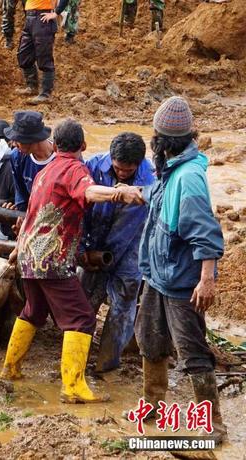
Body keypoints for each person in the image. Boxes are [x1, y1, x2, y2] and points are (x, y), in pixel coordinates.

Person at [0, 119, 144, 405]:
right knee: (81, 318)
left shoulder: (46, 169)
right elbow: (89, 193)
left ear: (55, 144)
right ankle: (73, 386)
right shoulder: (74, 169)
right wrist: (121, 192)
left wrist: (18, 250)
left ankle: (10, 368)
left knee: (34, 311)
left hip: (29, 254)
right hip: (51, 258)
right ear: (84, 146)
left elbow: (30, 210)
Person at [134, 97, 226, 441]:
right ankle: (152, 412)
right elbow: (157, 196)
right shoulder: (173, 168)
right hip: (158, 276)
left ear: (159, 141)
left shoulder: (188, 178)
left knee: (192, 350)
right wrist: (132, 193)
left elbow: (206, 232)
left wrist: (206, 280)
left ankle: (213, 425)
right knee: (149, 342)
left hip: (181, 282)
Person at [79, 132, 155, 373]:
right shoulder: (92, 166)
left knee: (123, 304)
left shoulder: (151, 178)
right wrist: (81, 249)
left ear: (139, 163)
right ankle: (76, 357)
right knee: (85, 300)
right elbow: (78, 206)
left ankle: (107, 363)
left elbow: (143, 222)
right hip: (95, 243)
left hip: (132, 248)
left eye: (128, 169)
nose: (122, 173)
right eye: (118, 168)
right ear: (111, 158)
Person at [16, 0, 69, 103]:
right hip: (29, 17)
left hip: (43, 18)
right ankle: (32, 86)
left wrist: (56, 12)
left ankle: (45, 94)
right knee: (23, 55)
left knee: (44, 57)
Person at [6, 111, 55, 211]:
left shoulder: (63, 159)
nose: (14, 144)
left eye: (17, 140)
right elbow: (21, 192)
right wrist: (21, 212)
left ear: (32, 140)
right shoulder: (17, 157)